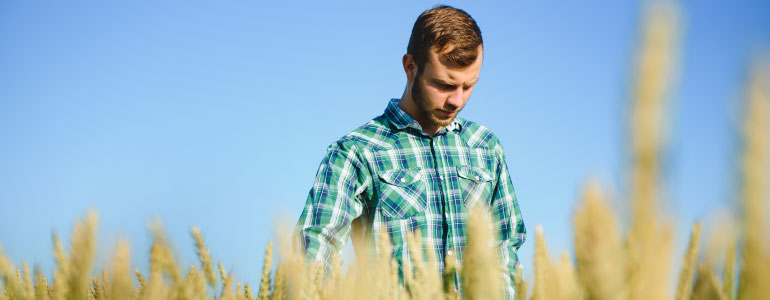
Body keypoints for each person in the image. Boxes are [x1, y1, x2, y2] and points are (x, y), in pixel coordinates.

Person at [294, 5, 526, 298]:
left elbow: (504, 247)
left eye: (469, 86)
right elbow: (315, 244)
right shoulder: (355, 151)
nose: (457, 100)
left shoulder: (486, 147)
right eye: (444, 85)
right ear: (410, 67)